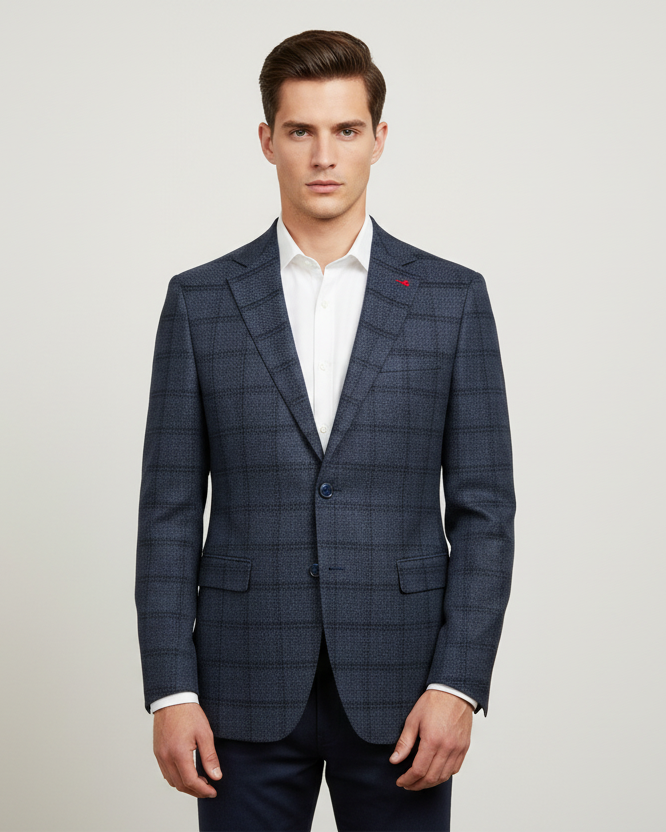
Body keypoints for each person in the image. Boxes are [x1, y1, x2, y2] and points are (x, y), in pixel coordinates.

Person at [135, 29, 516, 832]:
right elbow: (167, 513)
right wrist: (171, 690)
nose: (323, 155)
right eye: (300, 131)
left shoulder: (451, 300)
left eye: (346, 129)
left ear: (379, 138)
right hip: (239, 690)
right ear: (266, 139)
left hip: (405, 693)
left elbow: (485, 514)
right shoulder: (200, 303)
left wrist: (458, 684)